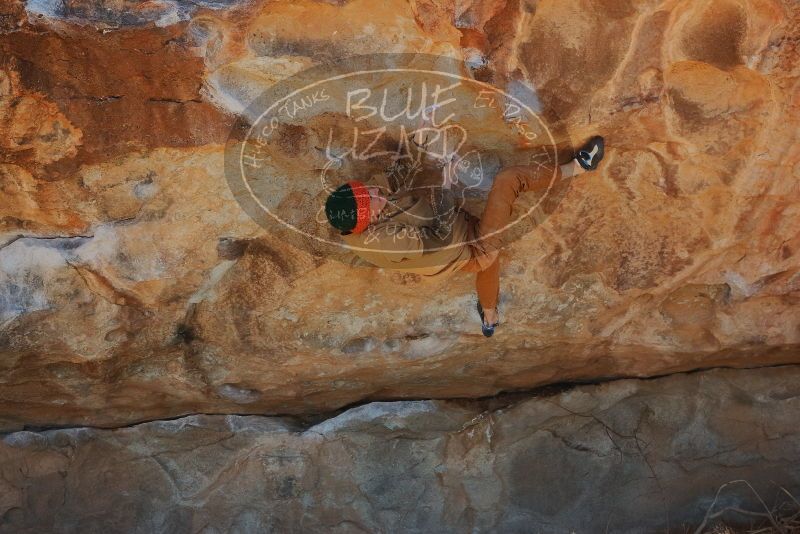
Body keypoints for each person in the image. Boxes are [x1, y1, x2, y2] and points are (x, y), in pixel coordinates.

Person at [324, 136, 605, 337]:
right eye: (368, 198)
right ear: (367, 219)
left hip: (457, 246)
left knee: (486, 263)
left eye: (365, 190)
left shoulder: (355, 224)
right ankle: (580, 167)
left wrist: (417, 143)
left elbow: (399, 186)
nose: (374, 191)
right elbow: (441, 241)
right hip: (467, 247)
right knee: (508, 182)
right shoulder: (385, 242)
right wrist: (445, 190)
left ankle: (489, 317)